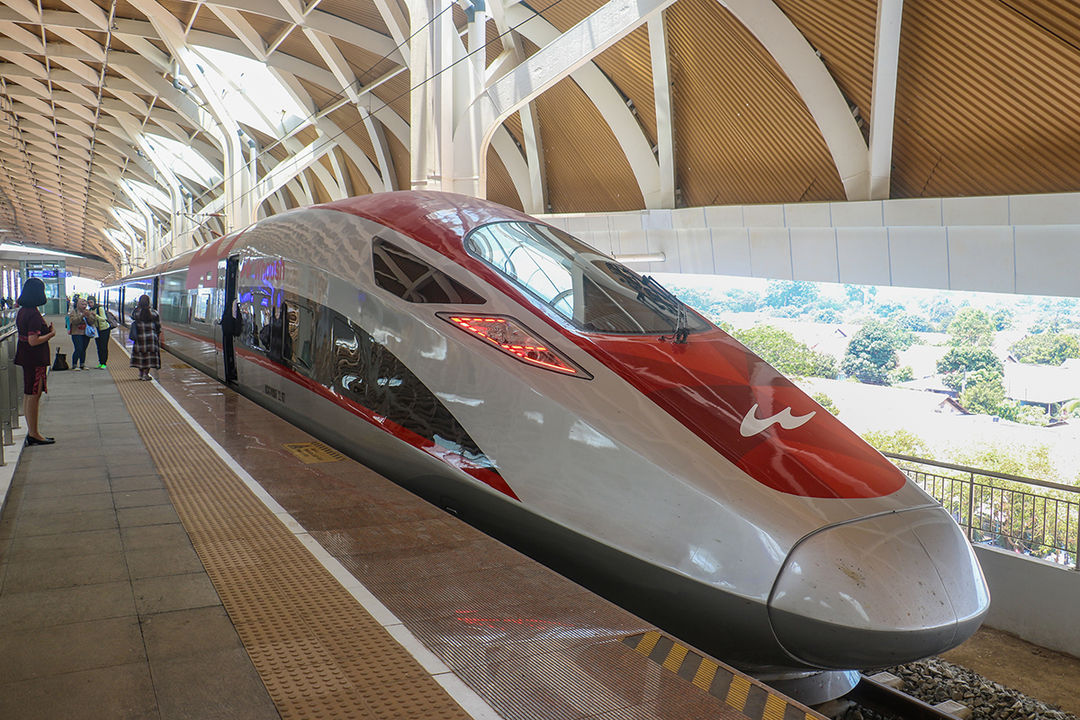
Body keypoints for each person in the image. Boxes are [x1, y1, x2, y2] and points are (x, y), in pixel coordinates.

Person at [15, 278, 56, 446]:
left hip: (27, 358)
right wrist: (51, 334)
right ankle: (34, 434)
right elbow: (33, 340)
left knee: (29, 394)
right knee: (33, 395)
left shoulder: (23, 311)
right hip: (34, 359)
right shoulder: (32, 313)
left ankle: (32, 431)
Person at [129, 294, 161, 381]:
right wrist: (157, 334)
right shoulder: (154, 313)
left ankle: (140, 374)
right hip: (151, 338)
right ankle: (145, 375)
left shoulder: (136, 312)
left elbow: (132, 317)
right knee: (149, 357)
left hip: (139, 338)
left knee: (141, 356)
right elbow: (158, 326)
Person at [67, 297, 94, 370]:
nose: (84, 306)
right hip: (76, 333)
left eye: (85, 304)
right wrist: (82, 316)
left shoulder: (88, 311)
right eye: (82, 304)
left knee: (83, 349)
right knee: (78, 348)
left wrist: (89, 316)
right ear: (78, 304)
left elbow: (92, 322)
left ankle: (82, 364)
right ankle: (74, 365)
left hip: (86, 333)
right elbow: (73, 321)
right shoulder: (74, 312)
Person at [86, 296, 110, 368]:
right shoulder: (90, 310)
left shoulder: (100, 308)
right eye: (88, 302)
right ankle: (100, 362)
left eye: (91, 302)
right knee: (98, 347)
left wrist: (95, 315)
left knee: (103, 346)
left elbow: (104, 319)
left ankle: (104, 363)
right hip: (96, 330)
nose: (90, 304)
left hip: (104, 329)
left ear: (94, 302)